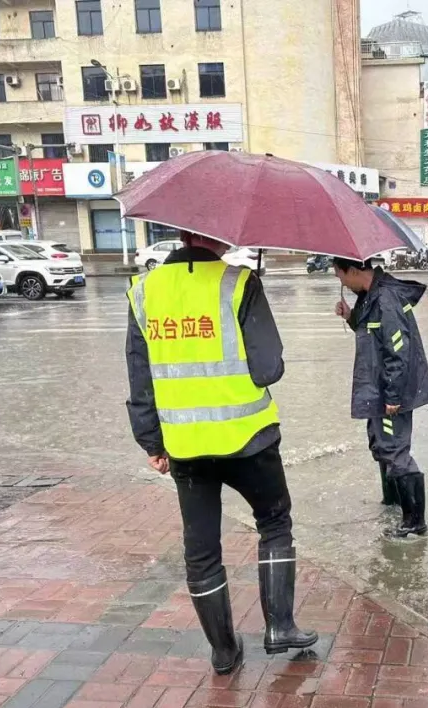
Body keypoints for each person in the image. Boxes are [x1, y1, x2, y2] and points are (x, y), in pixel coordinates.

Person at [125, 230, 317, 675]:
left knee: (202, 550)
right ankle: (280, 627)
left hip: (186, 447)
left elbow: (139, 376)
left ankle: (224, 652)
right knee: (273, 522)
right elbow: (270, 367)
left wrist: (151, 441)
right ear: (216, 236)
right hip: (249, 438)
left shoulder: (144, 291)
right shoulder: (239, 283)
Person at [332, 257, 428, 536]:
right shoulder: (369, 297)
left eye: (339, 274)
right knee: (381, 444)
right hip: (378, 388)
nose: (339, 281)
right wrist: (350, 316)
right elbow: (371, 333)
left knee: (394, 449)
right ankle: (392, 502)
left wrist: (393, 397)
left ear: (352, 270)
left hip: (391, 391)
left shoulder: (387, 300)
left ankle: (415, 523)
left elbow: (398, 352)